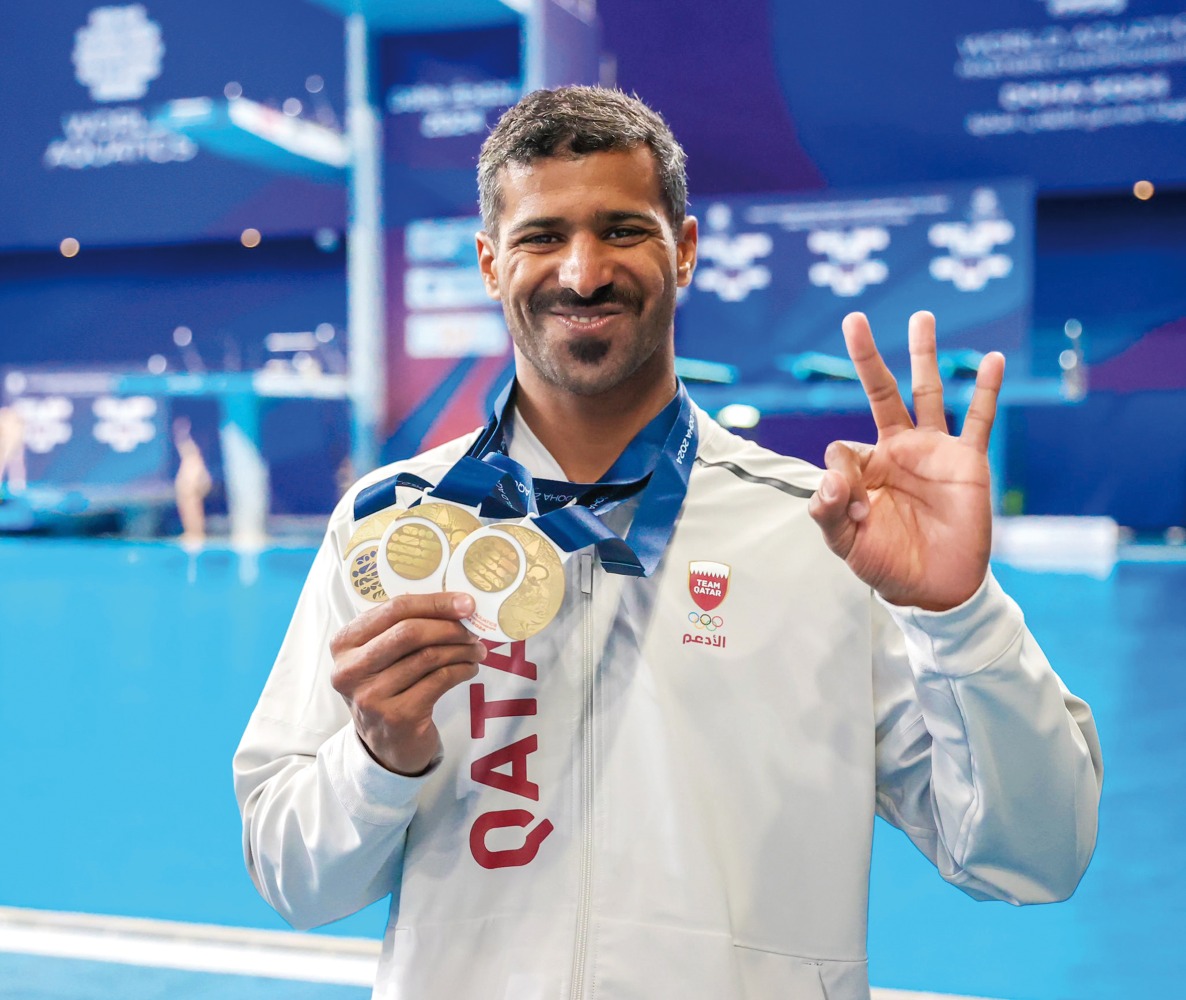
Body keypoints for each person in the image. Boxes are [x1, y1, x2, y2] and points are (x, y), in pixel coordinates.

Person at [234, 87, 1102, 1000]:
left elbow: (1034, 857)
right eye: (540, 237)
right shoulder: (395, 526)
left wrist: (959, 615)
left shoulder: (827, 531)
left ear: (683, 251)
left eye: (621, 230)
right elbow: (296, 880)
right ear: (490, 264)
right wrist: (377, 756)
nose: (582, 272)